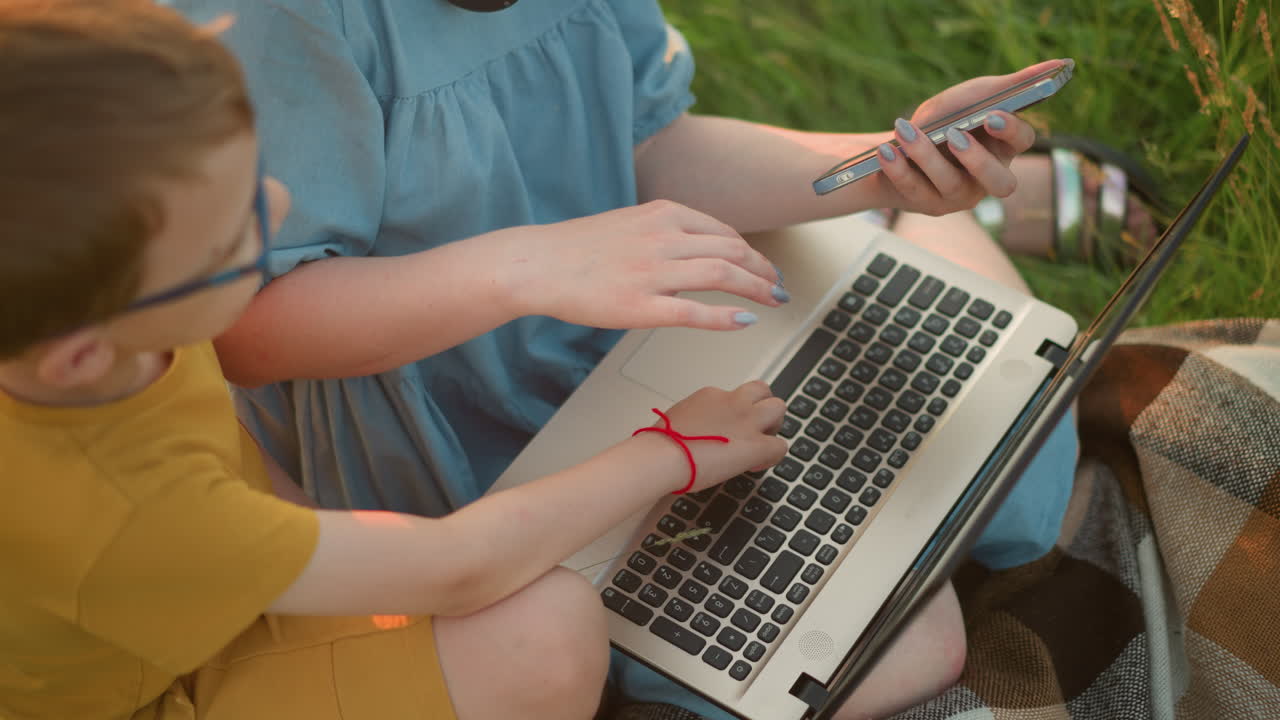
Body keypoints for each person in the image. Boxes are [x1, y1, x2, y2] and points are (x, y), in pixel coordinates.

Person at [165, 0, 1087, 717]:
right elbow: (246, 329)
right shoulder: (275, 24)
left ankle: (948, 227)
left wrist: (875, 167)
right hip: (471, 446)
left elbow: (651, 142)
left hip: (642, 327)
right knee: (906, 649)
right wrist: (523, 265)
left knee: (1020, 435)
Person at [0, 3, 791, 719]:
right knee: (545, 633)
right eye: (227, 243)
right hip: (166, 689)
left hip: (207, 601)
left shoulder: (83, 324)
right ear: (78, 356)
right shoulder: (129, 515)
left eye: (254, 180)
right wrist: (669, 453)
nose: (276, 213)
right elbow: (459, 567)